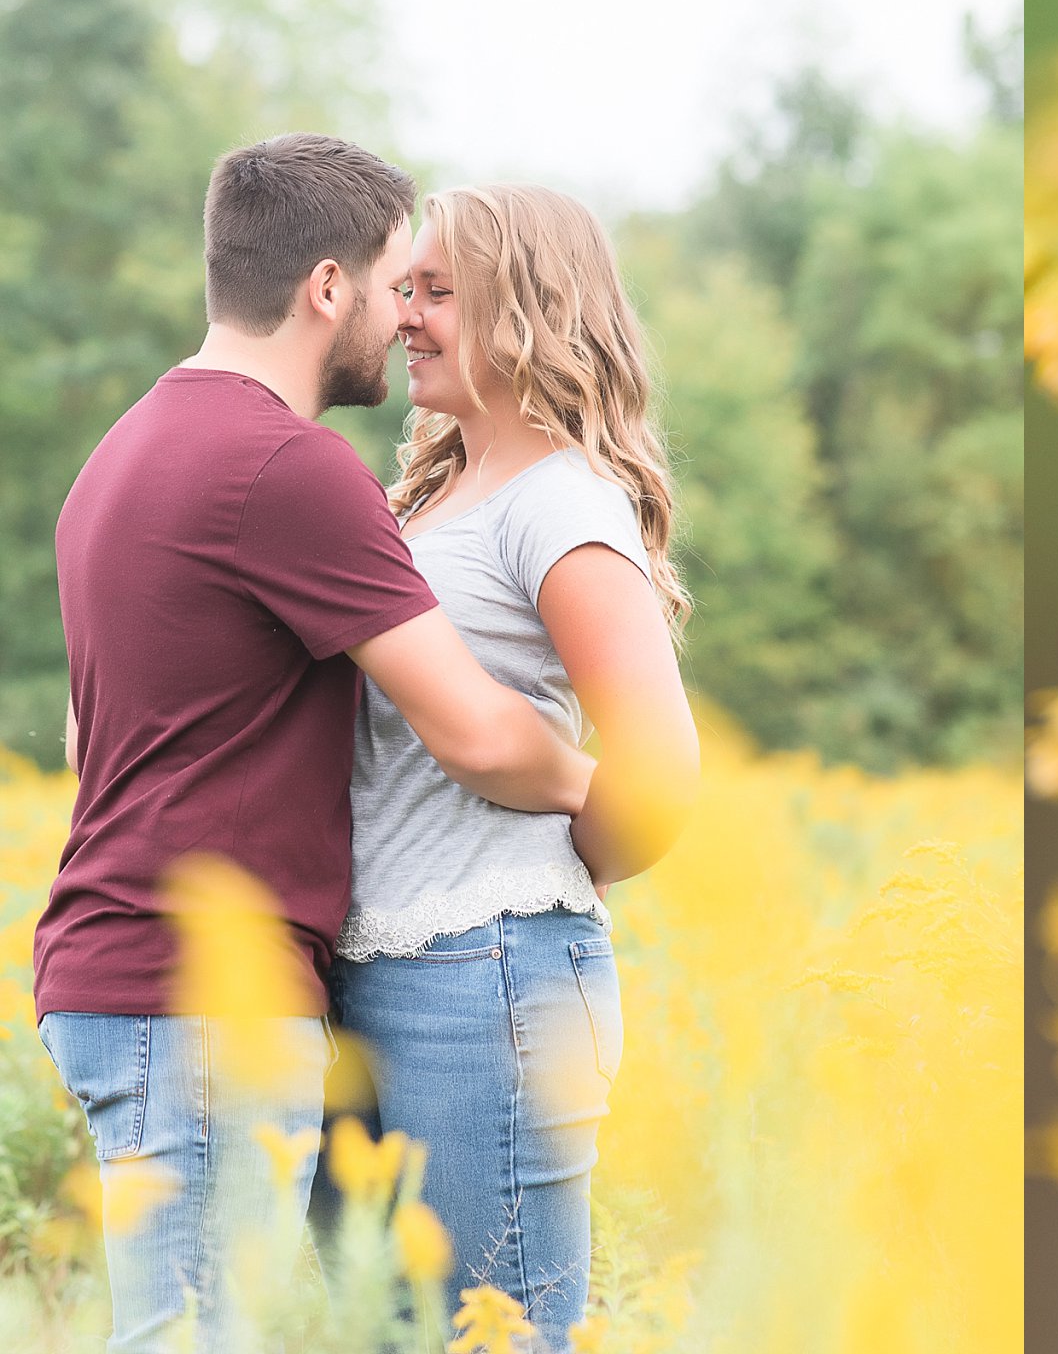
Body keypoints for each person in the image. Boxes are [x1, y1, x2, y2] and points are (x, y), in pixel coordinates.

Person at [34, 134, 600, 1354]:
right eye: (399, 285)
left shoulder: (121, 457)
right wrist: (605, 790)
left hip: (121, 977)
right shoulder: (285, 466)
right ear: (326, 288)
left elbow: (93, 742)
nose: (406, 319)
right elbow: (477, 733)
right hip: (196, 999)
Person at [331, 182, 697, 1347]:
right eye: (406, 289)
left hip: (488, 974)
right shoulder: (437, 497)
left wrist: (547, 855)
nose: (407, 316)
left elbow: (661, 772)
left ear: (531, 312)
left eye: (441, 293)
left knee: (495, 1330)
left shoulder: (560, 503)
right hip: (391, 965)